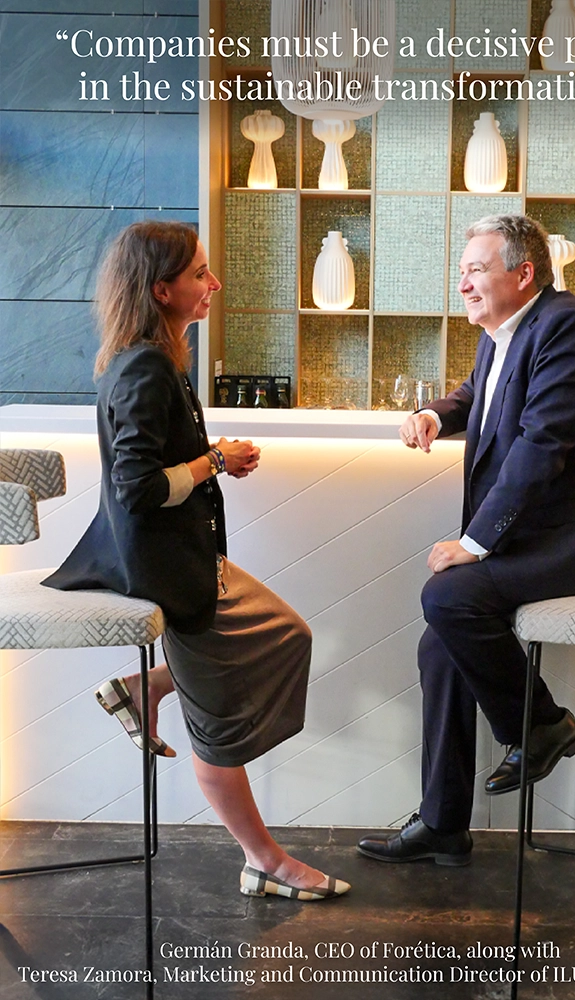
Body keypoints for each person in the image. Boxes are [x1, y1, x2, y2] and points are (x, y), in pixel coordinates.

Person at [43, 221, 350, 902]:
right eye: (200, 274)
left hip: (185, 557)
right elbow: (139, 486)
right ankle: (265, 861)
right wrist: (215, 461)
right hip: (166, 571)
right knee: (218, 732)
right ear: (162, 290)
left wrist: (207, 468)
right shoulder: (147, 368)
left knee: (287, 634)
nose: (213, 284)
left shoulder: (153, 357)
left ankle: (145, 688)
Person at [357, 214, 575, 866]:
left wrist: (477, 542)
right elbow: (480, 396)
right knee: (442, 647)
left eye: (476, 270)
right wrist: (438, 412)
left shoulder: (567, 327)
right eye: (462, 271)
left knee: (449, 599)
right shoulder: (504, 332)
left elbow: (542, 444)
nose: (463, 282)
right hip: (538, 538)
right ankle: (443, 824)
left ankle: (542, 725)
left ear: (523, 273)